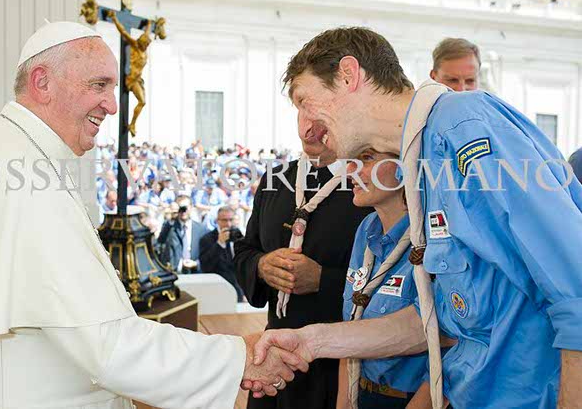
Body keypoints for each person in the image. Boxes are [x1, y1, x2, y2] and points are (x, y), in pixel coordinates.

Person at [0, 21, 307, 409]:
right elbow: (108, 346)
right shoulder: (24, 179)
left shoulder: (13, 152)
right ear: (42, 83)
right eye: (98, 85)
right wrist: (239, 357)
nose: (113, 105)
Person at [250, 27, 582, 408]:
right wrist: (311, 341)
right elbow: (433, 321)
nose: (306, 126)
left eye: (304, 101)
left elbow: (576, 290)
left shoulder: (464, 126)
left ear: (348, 75)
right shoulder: (422, 166)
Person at [235, 128, 372, 409]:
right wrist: (261, 265)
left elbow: (389, 278)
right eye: (302, 111)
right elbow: (245, 251)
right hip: (274, 356)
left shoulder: (366, 184)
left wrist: (324, 280)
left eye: (319, 116)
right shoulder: (275, 179)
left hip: (338, 366)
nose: (309, 127)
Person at [336, 150, 428, 409]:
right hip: (362, 392)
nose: (350, 171)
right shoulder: (367, 229)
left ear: (403, 165)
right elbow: (350, 326)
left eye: (366, 158)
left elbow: (452, 347)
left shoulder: (432, 236)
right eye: (350, 161)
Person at [199, 205, 245, 301]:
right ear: (217, 221)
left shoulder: (239, 236)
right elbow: (205, 267)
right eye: (224, 220)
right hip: (218, 291)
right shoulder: (207, 239)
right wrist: (219, 244)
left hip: (240, 290)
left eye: (231, 220)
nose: (228, 224)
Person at [162, 204, 207, 273]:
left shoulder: (201, 229)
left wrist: (196, 263)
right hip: (176, 271)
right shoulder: (170, 227)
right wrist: (172, 217)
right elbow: (161, 243)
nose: (183, 211)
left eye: (185, 208)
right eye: (181, 208)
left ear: (191, 208)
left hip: (196, 272)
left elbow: (207, 252)